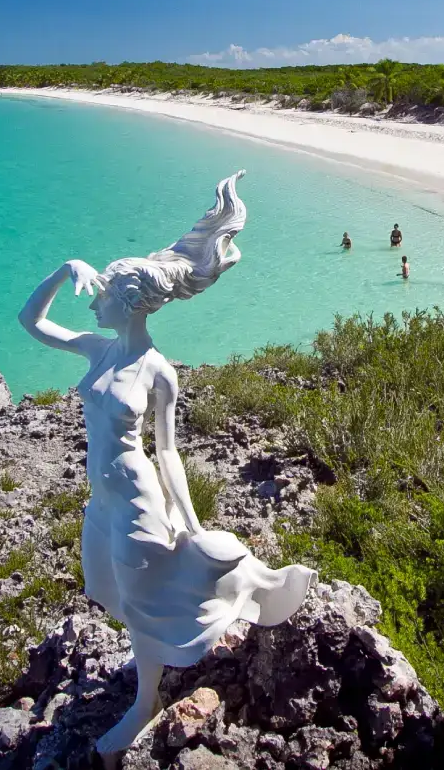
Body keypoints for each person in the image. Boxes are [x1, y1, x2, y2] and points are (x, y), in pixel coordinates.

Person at [16, 173, 316, 762]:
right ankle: (149, 681)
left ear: (127, 303)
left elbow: (168, 451)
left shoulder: (159, 371)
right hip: (100, 504)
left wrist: (193, 523)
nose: (95, 296)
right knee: (124, 599)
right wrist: (63, 268)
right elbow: (31, 323)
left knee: (146, 605)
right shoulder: (95, 348)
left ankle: (144, 701)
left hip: (135, 502)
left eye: (102, 290)